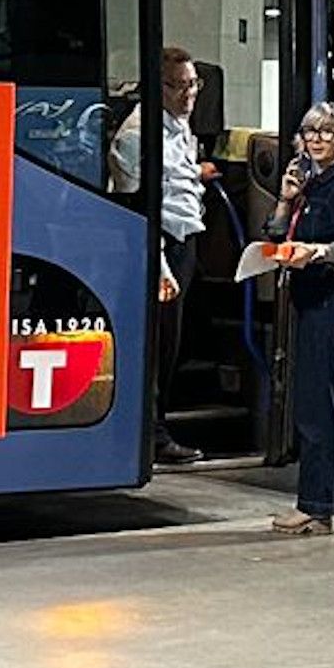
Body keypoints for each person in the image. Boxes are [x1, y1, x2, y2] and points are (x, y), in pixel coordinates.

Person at [267, 102, 334, 536]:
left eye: (326, 133)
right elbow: (276, 234)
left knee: (316, 408)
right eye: (310, 132)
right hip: (308, 299)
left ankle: (315, 507)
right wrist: (284, 200)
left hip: (329, 301)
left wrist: (320, 252)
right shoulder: (310, 185)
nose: (316, 140)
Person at [112, 46, 214, 466]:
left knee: (174, 345)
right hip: (160, 248)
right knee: (156, 346)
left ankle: (157, 428)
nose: (188, 94)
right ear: (156, 88)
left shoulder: (178, 128)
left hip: (185, 242)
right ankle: (150, 437)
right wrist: (160, 266)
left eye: (193, 84)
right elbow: (136, 206)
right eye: (177, 86)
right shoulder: (139, 136)